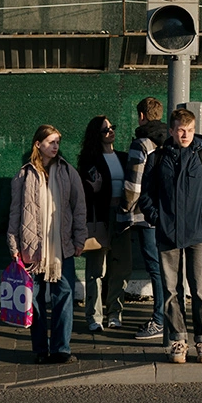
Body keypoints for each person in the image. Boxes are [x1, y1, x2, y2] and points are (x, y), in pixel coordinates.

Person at [139, 109, 202, 364]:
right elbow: (145, 196)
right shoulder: (157, 159)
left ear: (194, 129)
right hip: (167, 235)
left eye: (189, 129)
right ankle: (178, 341)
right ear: (171, 131)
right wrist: (158, 219)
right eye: (180, 130)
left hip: (199, 235)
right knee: (170, 290)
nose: (185, 134)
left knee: (201, 291)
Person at [7, 125, 87, 364]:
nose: (55, 146)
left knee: (64, 297)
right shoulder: (25, 174)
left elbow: (79, 207)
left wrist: (79, 239)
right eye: (50, 142)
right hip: (32, 249)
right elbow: (15, 212)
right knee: (36, 301)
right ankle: (41, 350)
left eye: (57, 142)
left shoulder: (67, 171)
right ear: (38, 144)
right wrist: (13, 245)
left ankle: (62, 349)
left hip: (62, 248)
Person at [78, 115, 132, 332]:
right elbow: (84, 192)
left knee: (121, 267)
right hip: (100, 217)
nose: (110, 132)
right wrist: (95, 189)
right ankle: (93, 316)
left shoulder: (124, 157)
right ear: (95, 135)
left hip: (122, 216)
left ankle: (115, 313)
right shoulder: (90, 160)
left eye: (112, 127)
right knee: (96, 269)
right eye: (104, 130)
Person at [122, 97, 167, 341]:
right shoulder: (170, 138)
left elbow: (133, 184)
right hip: (167, 213)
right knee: (166, 267)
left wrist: (125, 209)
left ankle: (160, 319)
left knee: (155, 267)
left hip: (145, 214)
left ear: (141, 115)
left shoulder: (142, 143)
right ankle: (168, 315)